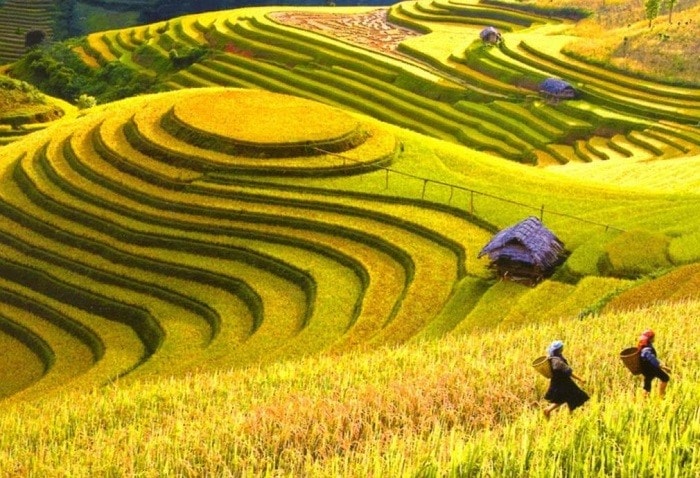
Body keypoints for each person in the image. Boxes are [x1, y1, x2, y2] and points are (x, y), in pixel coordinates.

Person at [543, 340, 589, 419]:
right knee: (574, 396)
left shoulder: (553, 357)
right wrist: (580, 379)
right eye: (561, 348)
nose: (562, 349)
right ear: (559, 350)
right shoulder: (557, 362)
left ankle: (570, 416)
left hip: (561, 382)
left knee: (568, 398)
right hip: (563, 383)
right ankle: (548, 410)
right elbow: (568, 372)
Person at [638, 329, 670, 397]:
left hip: (646, 370)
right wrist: (663, 367)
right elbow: (652, 360)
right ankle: (661, 395)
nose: (654, 338)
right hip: (651, 368)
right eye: (653, 337)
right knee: (665, 378)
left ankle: (644, 400)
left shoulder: (645, 346)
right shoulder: (647, 349)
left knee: (647, 385)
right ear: (650, 339)